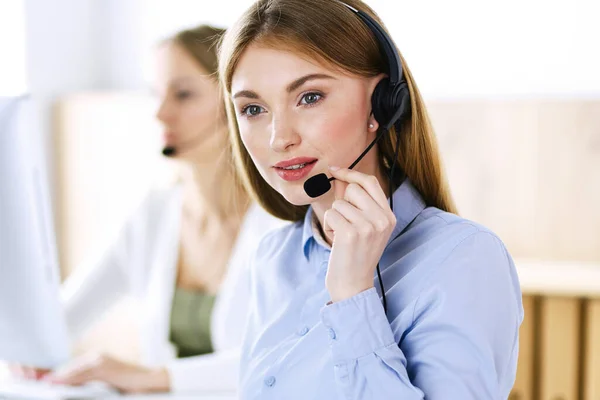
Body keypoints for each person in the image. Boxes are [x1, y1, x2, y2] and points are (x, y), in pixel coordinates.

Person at [217, 0, 524, 398]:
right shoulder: (274, 257)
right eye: (253, 109)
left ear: (382, 104)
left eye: (309, 97)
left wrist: (353, 296)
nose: (279, 138)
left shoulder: (464, 258)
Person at [11, 24, 285, 394]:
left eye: (183, 95)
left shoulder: (283, 219)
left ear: (237, 101)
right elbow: (59, 321)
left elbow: (283, 360)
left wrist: (147, 377)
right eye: (156, 95)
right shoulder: (154, 214)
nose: (160, 114)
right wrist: (29, 344)